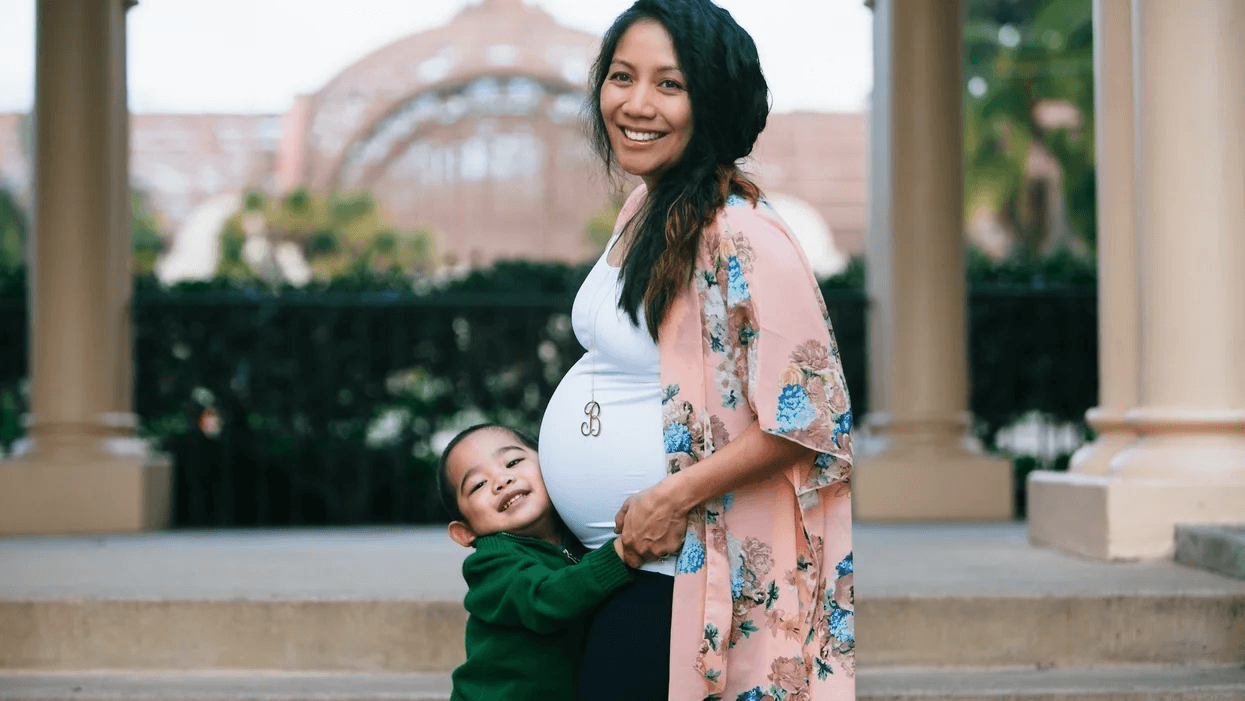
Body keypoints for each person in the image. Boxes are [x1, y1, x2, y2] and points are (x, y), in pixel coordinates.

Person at [537, 0, 855, 699]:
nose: (635, 103)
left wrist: (670, 495)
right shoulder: (643, 210)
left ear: (711, 99)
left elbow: (809, 417)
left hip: (679, 573)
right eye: (621, 77)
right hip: (615, 565)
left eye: (668, 84)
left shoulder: (742, 232)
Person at [437, 423, 635, 701]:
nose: (502, 480)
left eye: (514, 462)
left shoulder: (577, 531)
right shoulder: (491, 564)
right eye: (478, 484)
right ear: (465, 531)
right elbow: (546, 599)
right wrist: (622, 553)